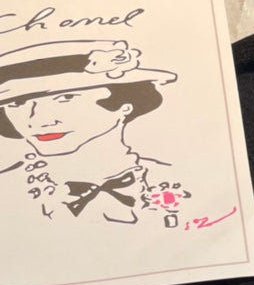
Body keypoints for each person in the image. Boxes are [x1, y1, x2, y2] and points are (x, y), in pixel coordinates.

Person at [0, 39, 181, 223]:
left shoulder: (174, 177)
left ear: (124, 105)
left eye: (65, 97)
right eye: (17, 103)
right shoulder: (7, 189)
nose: (39, 120)